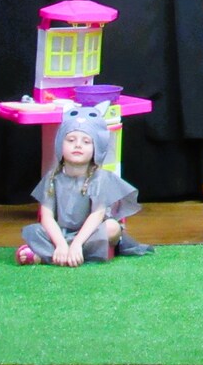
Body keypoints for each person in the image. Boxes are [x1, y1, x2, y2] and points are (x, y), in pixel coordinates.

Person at [16, 102, 152, 266]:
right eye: (71, 140)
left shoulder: (100, 178)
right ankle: (63, 253)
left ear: (96, 148)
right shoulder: (52, 178)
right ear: (60, 144)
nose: (78, 145)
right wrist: (60, 244)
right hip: (61, 234)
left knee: (112, 228)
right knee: (34, 230)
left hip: (89, 234)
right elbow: (47, 217)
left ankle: (49, 255)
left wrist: (77, 244)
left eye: (86, 142)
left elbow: (97, 215)